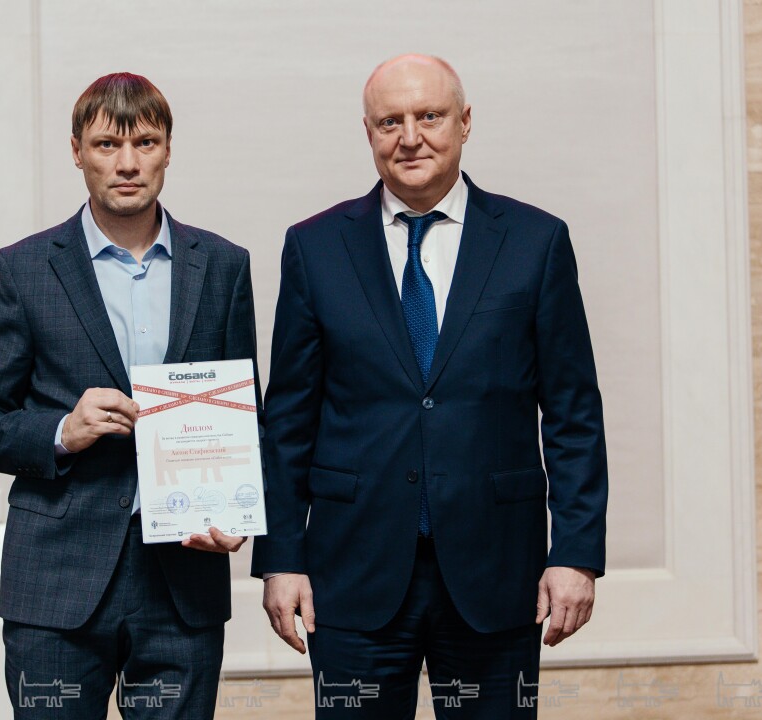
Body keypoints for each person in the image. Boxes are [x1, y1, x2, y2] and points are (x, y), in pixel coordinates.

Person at [251, 54, 608, 718]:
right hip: (350, 573)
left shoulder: (535, 242)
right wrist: (281, 558)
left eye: (430, 116)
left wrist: (577, 554)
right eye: (390, 121)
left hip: (497, 572)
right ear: (368, 132)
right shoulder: (315, 246)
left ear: (465, 122)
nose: (410, 137)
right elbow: (289, 419)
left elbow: (573, 413)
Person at [0, 72, 258, 720]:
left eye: (144, 143)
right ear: (77, 152)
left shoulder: (223, 265)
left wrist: (239, 508)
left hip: (184, 581)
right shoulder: (22, 269)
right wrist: (62, 431)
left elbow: (244, 415)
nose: (127, 163)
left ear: (168, 149)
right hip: (55, 582)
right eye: (106, 144)